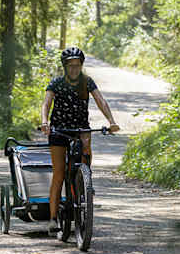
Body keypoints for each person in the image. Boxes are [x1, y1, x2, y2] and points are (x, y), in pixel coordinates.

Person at [40, 47, 120, 234]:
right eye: (71, 66)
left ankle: (85, 180)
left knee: (86, 147)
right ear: (65, 67)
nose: (74, 69)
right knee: (59, 173)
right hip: (59, 129)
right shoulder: (56, 83)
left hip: (80, 128)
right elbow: (46, 103)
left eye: (77, 65)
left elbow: (101, 100)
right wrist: (45, 122)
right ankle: (52, 219)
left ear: (81, 66)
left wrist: (111, 121)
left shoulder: (87, 82)